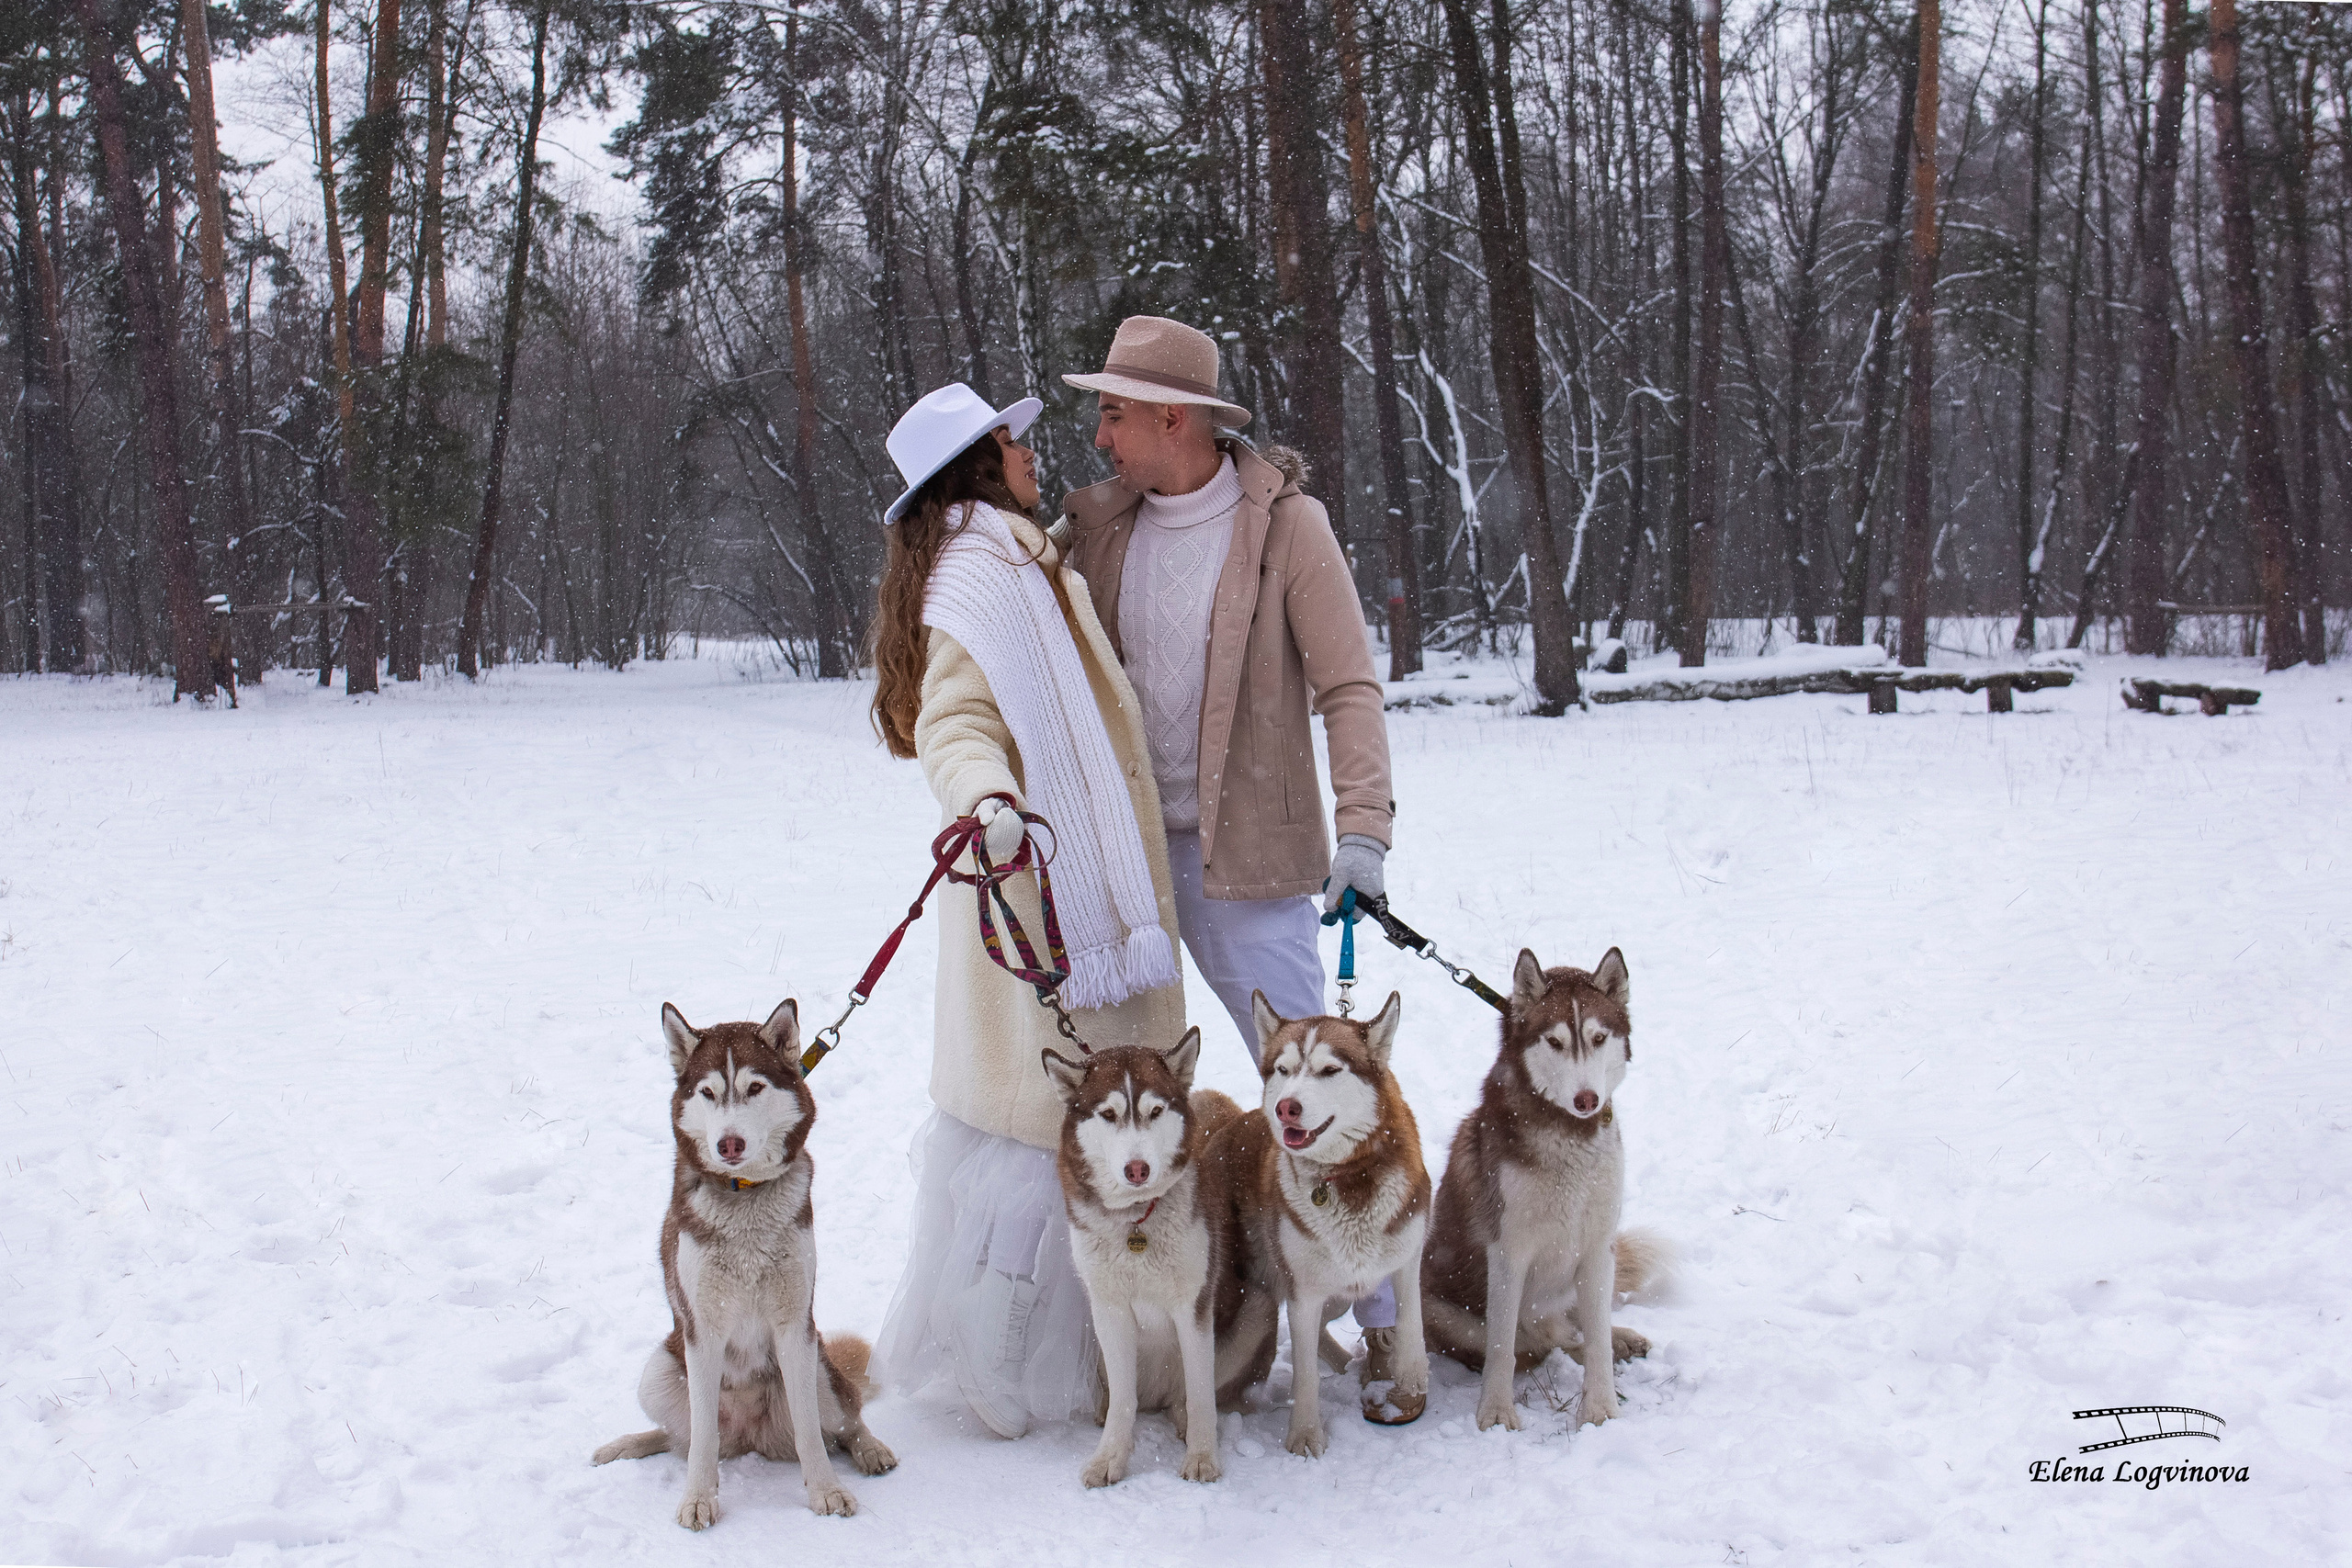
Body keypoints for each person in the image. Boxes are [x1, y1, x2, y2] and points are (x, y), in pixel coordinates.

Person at [1057, 317, 1410, 1421]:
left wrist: (1364, 831)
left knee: (1326, 1089)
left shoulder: (1285, 530)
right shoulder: (1097, 530)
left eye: (1115, 411)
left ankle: (1391, 1330)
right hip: (1123, 863)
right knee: (1125, 1095)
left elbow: (1348, 686)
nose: (1100, 433)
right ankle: (1151, 1325)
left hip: (1249, 859)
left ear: (1175, 418)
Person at [866, 383, 1187, 1441]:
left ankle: (1093, 1354)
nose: (1031, 452)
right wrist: (986, 801)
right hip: (1044, 899)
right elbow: (954, 720)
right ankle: (995, 1358)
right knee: (1033, 1135)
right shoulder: (980, 573)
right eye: (1013, 441)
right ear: (978, 461)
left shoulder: (1007, 555)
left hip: (1066, 887)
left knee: (1071, 1130)